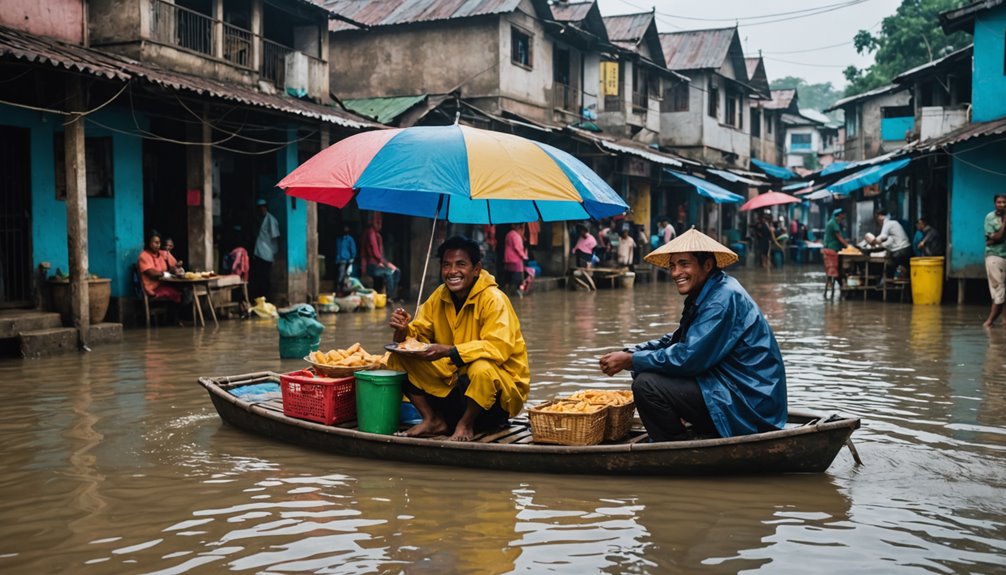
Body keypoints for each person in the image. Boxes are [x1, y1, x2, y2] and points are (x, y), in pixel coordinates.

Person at [597, 229, 787, 442]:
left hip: (749, 403)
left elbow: (688, 357)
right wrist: (633, 352)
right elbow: (679, 339)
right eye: (672, 266)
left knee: (647, 385)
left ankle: (672, 448)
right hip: (737, 391)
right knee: (647, 373)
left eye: (684, 264)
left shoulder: (720, 300)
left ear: (707, 265)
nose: (676, 273)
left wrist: (632, 360)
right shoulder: (712, 291)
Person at [388, 235, 530, 441]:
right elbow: (417, 335)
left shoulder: (494, 299)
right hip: (456, 384)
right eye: (446, 265)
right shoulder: (439, 295)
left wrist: (448, 350)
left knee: (481, 368)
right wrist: (402, 330)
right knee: (399, 357)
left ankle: (466, 424)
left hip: (497, 398)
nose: (452, 271)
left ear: (476, 269)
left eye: (460, 264)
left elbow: (498, 348)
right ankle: (431, 419)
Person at [137, 230, 182, 304]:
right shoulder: (144, 256)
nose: (158, 245)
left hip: (162, 284)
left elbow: (174, 264)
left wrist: (176, 266)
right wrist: (167, 274)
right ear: (148, 243)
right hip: (152, 289)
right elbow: (151, 273)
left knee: (184, 290)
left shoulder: (162, 253)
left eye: (159, 242)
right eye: (155, 243)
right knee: (180, 293)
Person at [362, 215, 400, 299]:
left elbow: (380, 255)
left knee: (396, 271)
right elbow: (376, 253)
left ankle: (392, 294)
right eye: (377, 222)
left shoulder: (377, 235)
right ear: (372, 222)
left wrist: (385, 263)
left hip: (377, 264)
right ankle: (390, 297)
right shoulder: (371, 232)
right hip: (372, 266)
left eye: (380, 223)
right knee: (389, 273)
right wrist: (386, 263)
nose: (379, 225)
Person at [983, 194, 1006, 327]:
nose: (1002, 205)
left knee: (1003, 291)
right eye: (999, 202)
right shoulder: (990, 218)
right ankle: (989, 322)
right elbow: (997, 237)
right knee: (999, 290)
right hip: (995, 256)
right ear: (995, 203)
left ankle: (1004, 322)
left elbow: (995, 239)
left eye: (1004, 202)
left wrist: (995, 239)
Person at [868, 210, 912, 279]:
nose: (878, 221)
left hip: (901, 250)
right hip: (906, 249)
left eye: (877, 218)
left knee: (889, 265)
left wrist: (874, 241)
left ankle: (888, 282)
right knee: (902, 269)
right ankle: (894, 282)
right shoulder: (893, 223)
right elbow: (889, 240)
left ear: (880, 217)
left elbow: (883, 236)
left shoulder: (888, 223)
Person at [251, 198, 280, 300]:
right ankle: (259, 297)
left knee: (265, 276)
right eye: (259, 208)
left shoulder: (271, 220)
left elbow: (275, 238)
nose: (261, 210)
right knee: (259, 276)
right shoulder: (260, 220)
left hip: (267, 254)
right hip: (259, 252)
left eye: (262, 207)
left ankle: (266, 297)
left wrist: (275, 254)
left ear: (266, 207)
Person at [821, 208, 851, 295]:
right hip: (831, 249)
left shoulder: (836, 223)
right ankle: (840, 286)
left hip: (834, 249)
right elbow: (839, 237)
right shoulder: (833, 223)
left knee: (838, 269)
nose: (844, 216)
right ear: (839, 215)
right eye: (843, 215)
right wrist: (848, 246)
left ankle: (841, 286)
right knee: (835, 269)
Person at [502, 223, 528, 296]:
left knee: (508, 275)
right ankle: (516, 291)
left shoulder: (509, 234)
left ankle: (508, 291)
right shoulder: (516, 236)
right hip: (516, 260)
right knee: (518, 277)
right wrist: (524, 256)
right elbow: (518, 248)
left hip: (508, 259)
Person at [333, 225, 357, 292]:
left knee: (342, 273)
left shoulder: (349, 239)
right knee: (340, 274)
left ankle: (339, 288)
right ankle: (340, 288)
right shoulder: (338, 239)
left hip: (345, 259)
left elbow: (353, 249)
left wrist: (352, 257)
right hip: (338, 259)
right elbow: (337, 249)